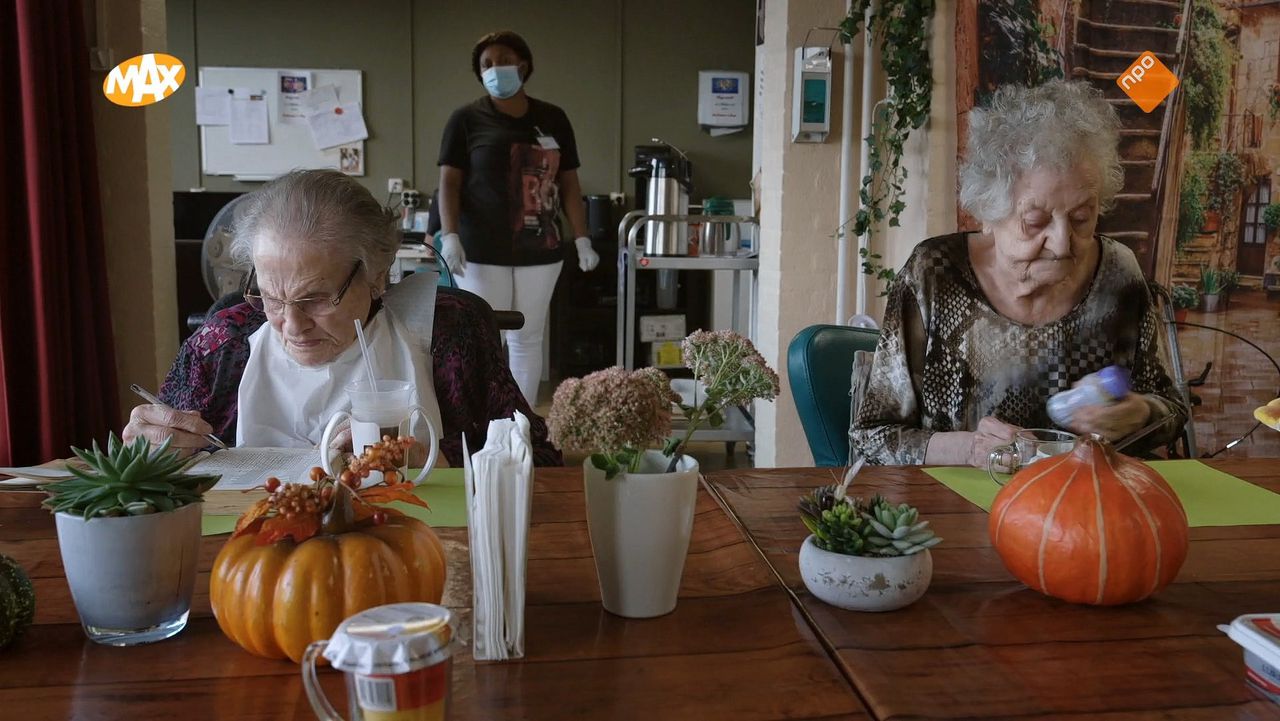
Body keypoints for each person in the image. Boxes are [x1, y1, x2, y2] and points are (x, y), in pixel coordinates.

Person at [849, 79, 1187, 467]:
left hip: (1083, 509)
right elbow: (872, 435)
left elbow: (1173, 411)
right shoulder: (935, 275)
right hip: (955, 508)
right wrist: (969, 449)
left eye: (1081, 217)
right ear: (988, 214)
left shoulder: (1118, 274)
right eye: (1035, 221)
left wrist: (1139, 413)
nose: (1062, 243)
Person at [122, 169, 562, 467]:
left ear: (376, 274)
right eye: (272, 298)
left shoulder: (449, 332)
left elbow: (539, 458)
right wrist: (151, 450)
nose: (292, 326)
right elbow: (156, 458)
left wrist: (432, 458)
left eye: (317, 298)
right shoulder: (223, 343)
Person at [437, 30, 599, 405]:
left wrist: (582, 237)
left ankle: (521, 424)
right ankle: (485, 421)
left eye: (503, 61)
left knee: (528, 337)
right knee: (485, 337)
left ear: (523, 65)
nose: (496, 69)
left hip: (540, 247)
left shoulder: (553, 118)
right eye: (486, 65)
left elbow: (570, 182)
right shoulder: (465, 119)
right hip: (480, 249)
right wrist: (450, 235)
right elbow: (449, 182)